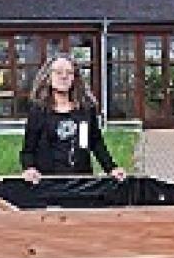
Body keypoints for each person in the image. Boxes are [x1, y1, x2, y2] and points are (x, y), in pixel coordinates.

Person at [20, 53, 125, 184]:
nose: (64, 76)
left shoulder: (85, 110)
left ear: (75, 78)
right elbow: (28, 150)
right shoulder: (38, 111)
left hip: (81, 184)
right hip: (47, 184)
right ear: (48, 77)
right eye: (58, 72)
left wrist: (112, 168)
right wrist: (29, 169)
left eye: (69, 72)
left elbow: (95, 142)